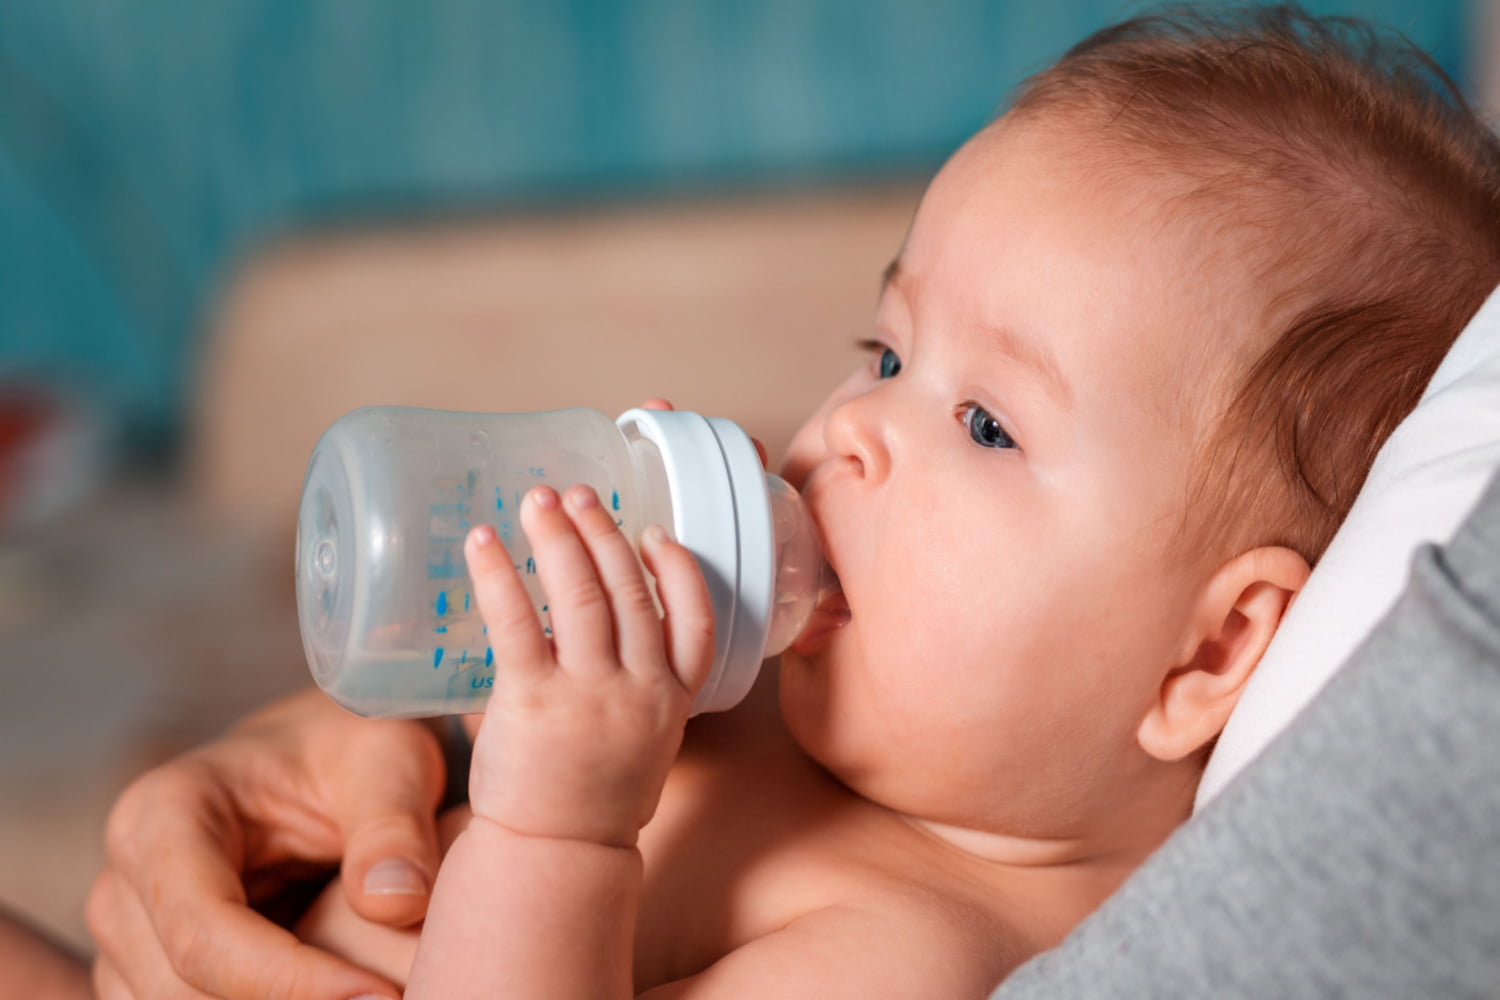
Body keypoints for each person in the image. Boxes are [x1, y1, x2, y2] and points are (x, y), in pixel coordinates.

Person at [68, 5, 1500, 998]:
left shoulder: (919, 947)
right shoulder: (791, 701)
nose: (851, 428)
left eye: (987, 423)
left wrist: (556, 828)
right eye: (884, 350)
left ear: (1206, 658)